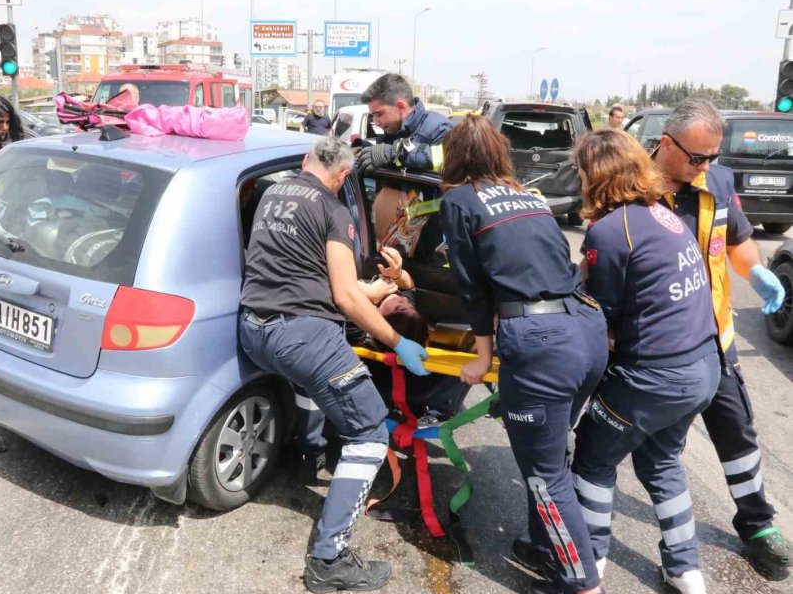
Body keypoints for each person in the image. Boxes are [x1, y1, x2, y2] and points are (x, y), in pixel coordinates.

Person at [238, 137, 430, 593]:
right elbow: (343, 297)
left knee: (311, 382)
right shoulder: (334, 212)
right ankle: (329, 559)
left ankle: (306, 454)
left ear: (307, 162)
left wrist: (374, 292)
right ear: (344, 176)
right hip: (302, 333)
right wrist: (397, 341)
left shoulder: (273, 193)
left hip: (254, 329)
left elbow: (315, 278)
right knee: (369, 431)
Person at [440, 116, 608, 594]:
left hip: (539, 342)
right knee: (552, 454)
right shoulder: (528, 196)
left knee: (543, 474)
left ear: (454, 156)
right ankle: (547, 545)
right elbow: (557, 256)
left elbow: (471, 287)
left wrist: (480, 357)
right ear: (499, 152)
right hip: (584, 328)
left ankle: (582, 582)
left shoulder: (459, 200)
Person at [569, 129, 720, 594]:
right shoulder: (662, 212)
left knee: (592, 457)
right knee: (662, 461)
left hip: (655, 376)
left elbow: (600, 313)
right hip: (703, 367)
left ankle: (589, 563)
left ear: (595, 175)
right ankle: (685, 569)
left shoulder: (609, 230)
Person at [650, 98, 790, 569]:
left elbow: (737, 240)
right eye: (697, 158)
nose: (706, 167)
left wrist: (755, 273)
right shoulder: (631, 185)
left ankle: (757, 522)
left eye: (713, 156)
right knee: (651, 448)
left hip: (716, 337)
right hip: (658, 348)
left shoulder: (719, 180)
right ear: (666, 145)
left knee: (737, 432)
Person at [356, 73, 452, 173]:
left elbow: (449, 160)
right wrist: (363, 150)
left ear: (400, 107)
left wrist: (392, 152)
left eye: (379, 114)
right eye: (373, 116)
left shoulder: (439, 129)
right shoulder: (394, 131)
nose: (376, 122)